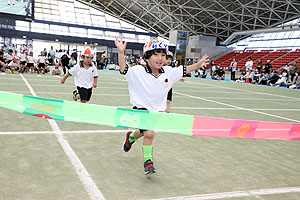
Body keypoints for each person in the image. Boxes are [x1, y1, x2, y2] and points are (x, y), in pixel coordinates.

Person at [115, 38, 209, 175]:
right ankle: (148, 162)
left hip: (157, 110)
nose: (160, 58)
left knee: (144, 132)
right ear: (146, 57)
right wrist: (121, 53)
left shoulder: (168, 72)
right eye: (156, 54)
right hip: (141, 109)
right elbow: (123, 69)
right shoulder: (137, 71)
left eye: (163, 55)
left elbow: (184, 70)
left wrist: (197, 65)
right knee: (149, 133)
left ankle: (131, 137)